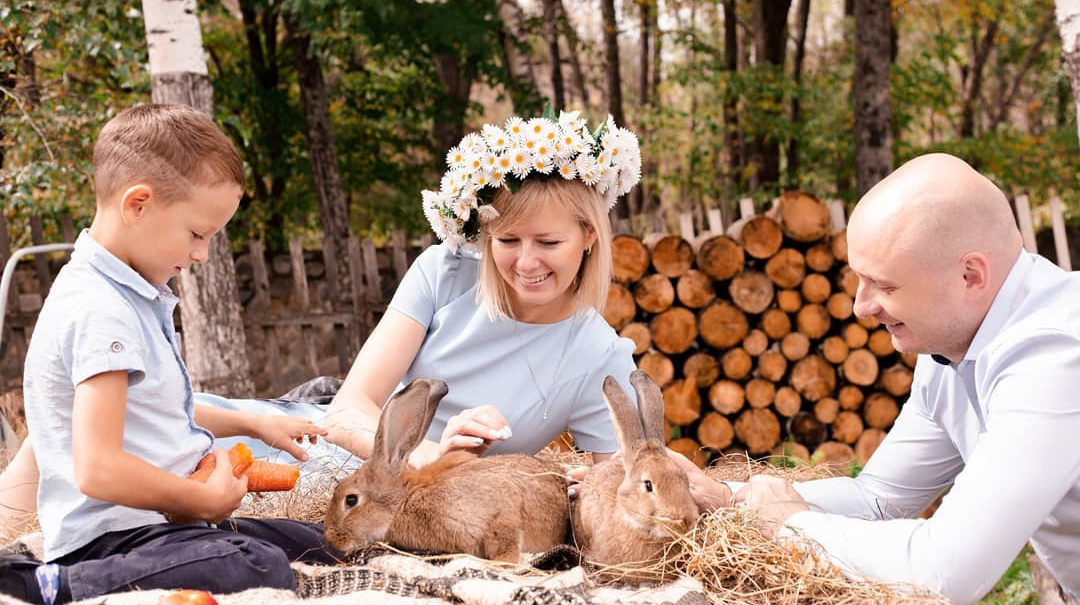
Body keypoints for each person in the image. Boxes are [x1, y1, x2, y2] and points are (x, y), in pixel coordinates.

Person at [2, 107, 643, 536]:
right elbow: (347, 410)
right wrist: (419, 454)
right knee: (106, 429)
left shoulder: (598, 357)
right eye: (506, 241)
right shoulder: (447, 271)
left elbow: (622, 478)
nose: (523, 264)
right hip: (327, 454)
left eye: (547, 245)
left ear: (589, 235)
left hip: (411, 503)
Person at [676, 153, 1080, 605]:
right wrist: (729, 497)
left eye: (885, 286)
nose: (860, 306)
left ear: (970, 275)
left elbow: (943, 574)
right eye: (859, 280)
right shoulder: (954, 343)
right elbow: (879, 501)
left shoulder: (1057, 356)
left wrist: (789, 525)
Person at [0, 104, 341, 605]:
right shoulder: (101, 309)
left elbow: (152, 411)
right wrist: (201, 498)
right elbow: (97, 470)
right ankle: (50, 583)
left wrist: (255, 425)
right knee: (257, 565)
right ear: (138, 204)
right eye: (197, 234)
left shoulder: (130, 295)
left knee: (324, 545)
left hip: (165, 529)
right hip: (114, 538)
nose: (202, 255)